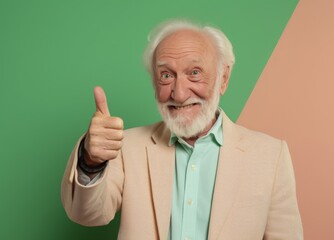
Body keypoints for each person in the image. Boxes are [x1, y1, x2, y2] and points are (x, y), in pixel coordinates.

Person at [61, 19, 303, 240]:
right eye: (166, 75)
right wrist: (91, 161)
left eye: (194, 73)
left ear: (224, 78)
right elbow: (87, 215)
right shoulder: (126, 147)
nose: (179, 93)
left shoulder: (271, 155)